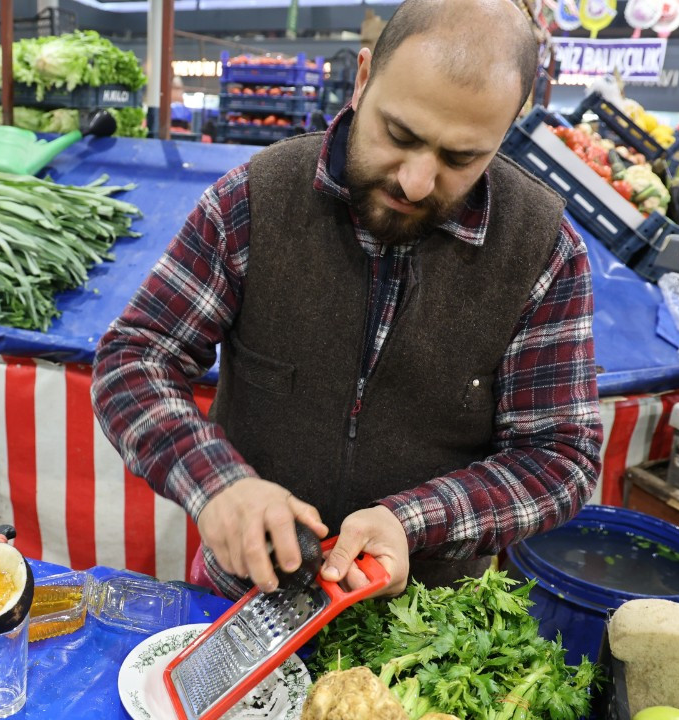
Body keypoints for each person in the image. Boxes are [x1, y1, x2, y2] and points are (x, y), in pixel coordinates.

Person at [91, 0, 602, 600]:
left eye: (461, 158)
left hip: (427, 631)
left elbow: (558, 456)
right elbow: (133, 360)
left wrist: (412, 523)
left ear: (506, 131)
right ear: (363, 79)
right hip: (243, 597)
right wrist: (218, 484)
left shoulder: (543, 251)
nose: (415, 181)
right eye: (399, 134)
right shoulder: (252, 203)